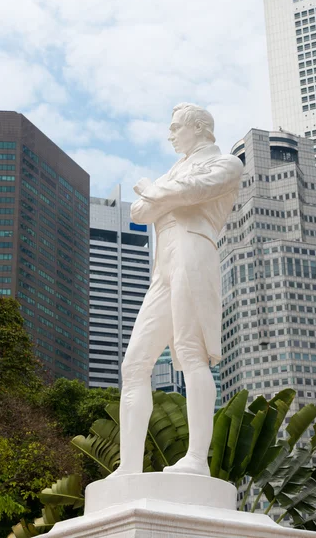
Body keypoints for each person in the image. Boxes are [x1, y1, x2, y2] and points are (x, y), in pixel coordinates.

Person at [111, 102, 243, 477]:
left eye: (175, 128)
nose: (170, 135)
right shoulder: (174, 171)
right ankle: (129, 467)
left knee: (190, 352)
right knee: (134, 364)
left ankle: (197, 459)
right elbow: (139, 211)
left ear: (199, 127)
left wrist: (157, 191)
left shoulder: (227, 163)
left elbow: (194, 191)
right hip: (164, 261)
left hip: (194, 249)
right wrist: (160, 193)